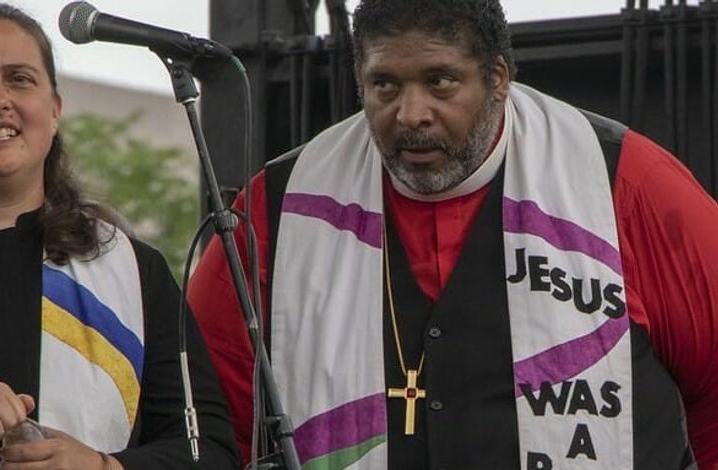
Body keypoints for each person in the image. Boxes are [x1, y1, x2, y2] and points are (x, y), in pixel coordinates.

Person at [187, 0, 718, 468]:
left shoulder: (627, 183)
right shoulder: (277, 208)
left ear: (498, 78)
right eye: (385, 85)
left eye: (440, 80)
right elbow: (209, 427)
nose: (411, 114)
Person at [0, 3, 239, 469]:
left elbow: (209, 452)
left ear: (54, 110)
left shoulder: (132, 269)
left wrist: (100, 466)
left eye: (20, 78)